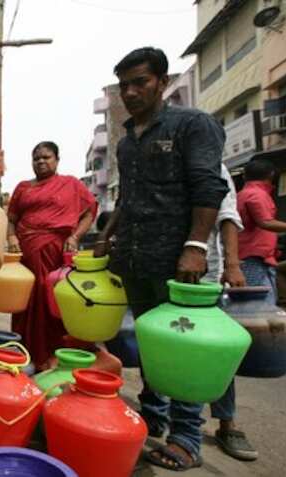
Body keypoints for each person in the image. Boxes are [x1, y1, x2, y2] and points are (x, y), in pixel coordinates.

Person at [94, 47, 229, 471]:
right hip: (136, 256)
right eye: (124, 85)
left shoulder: (192, 124)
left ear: (163, 82)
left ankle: (187, 436)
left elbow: (209, 187)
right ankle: (153, 414)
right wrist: (106, 236)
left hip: (178, 262)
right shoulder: (127, 141)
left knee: (182, 348)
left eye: (140, 82)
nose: (131, 92)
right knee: (150, 343)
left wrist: (196, 247)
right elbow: (127, 197)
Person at [6, 141, 96, 367]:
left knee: (52, 300)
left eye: (46, 157)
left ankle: (51, 356)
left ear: (57, 160)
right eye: (36, 158)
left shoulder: (71, 184)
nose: (41, 162)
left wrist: (75, 237)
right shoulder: (23, 187)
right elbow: (11, 219)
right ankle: (24, 352)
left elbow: (89, 212)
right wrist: (12, 237)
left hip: (56, 252)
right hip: (26, 251)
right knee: (26, 300)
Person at [203, 165, 256, 461]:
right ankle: (164, 417)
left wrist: (233, 265)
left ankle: (227, 422)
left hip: (206, 276)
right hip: (161, 272)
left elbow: (227, 216)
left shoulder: (212, 163)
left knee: (216, 353)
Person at [236, 159, 286, 305]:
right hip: (254, 257)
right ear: (271, 175)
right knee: (259, 304)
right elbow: (265, 222)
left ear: (244, 176)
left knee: (259, 302)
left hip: (254, 256)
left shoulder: (243, 194)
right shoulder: (257, 194)